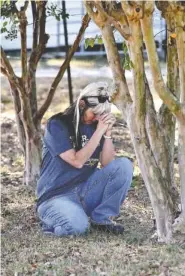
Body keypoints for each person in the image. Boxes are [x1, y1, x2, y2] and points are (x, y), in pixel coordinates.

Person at [36, 82, 133, 236]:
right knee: (78, 228)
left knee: (123, 165)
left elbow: (108, 164)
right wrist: (99, 132)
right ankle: (57, 221)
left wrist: (106, 133)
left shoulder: (96, 126)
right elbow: (77, 161)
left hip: (86, 190)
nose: (97, 119)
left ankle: (101, 218)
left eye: (101, 115)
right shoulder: (58, 124)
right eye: (94, 113)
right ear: (82, 104)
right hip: (56, 195)